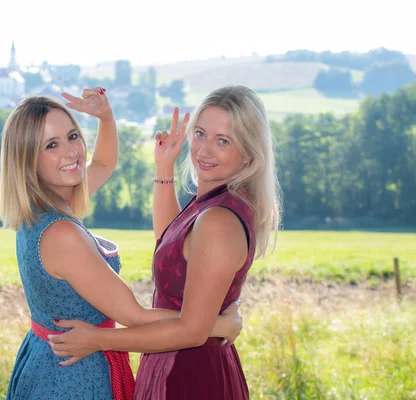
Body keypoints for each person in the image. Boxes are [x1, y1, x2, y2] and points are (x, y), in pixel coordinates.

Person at [0, 88, 243, 400]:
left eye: (73, 136)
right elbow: (135, 316)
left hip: (47, 360)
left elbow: (103, 162)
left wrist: (105, 117)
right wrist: (220, 324)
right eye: (51, 145)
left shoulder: (42, 206)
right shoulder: (62, 234)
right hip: (74, 376)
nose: (71, 152)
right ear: (27, 158)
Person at [47, 85, 282, 399]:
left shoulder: (218, 220)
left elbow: (191, 331)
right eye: (199, 134)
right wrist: (164, 166)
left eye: (222, 141)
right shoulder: (212, 204)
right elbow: (171, 242)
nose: (203, 151)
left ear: (249, 153)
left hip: (189, 375)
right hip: (173, 360)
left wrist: (99, 339)